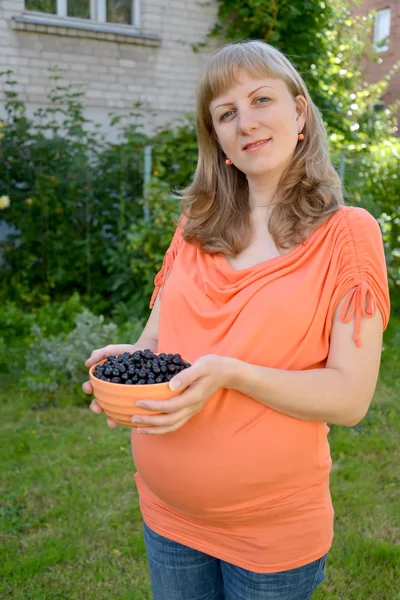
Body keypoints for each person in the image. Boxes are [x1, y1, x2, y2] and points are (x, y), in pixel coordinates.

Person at [82, 40, 390, 600]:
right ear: (218, 138)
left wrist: (232, 373)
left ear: (299, 112)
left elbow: (349, 399)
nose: (245, 122)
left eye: (261, 100)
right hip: (167, 515)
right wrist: (123, 368)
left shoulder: (348, 235)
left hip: (270, 533)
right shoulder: (196, 225)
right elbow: (156, 342)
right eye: (226, 114)